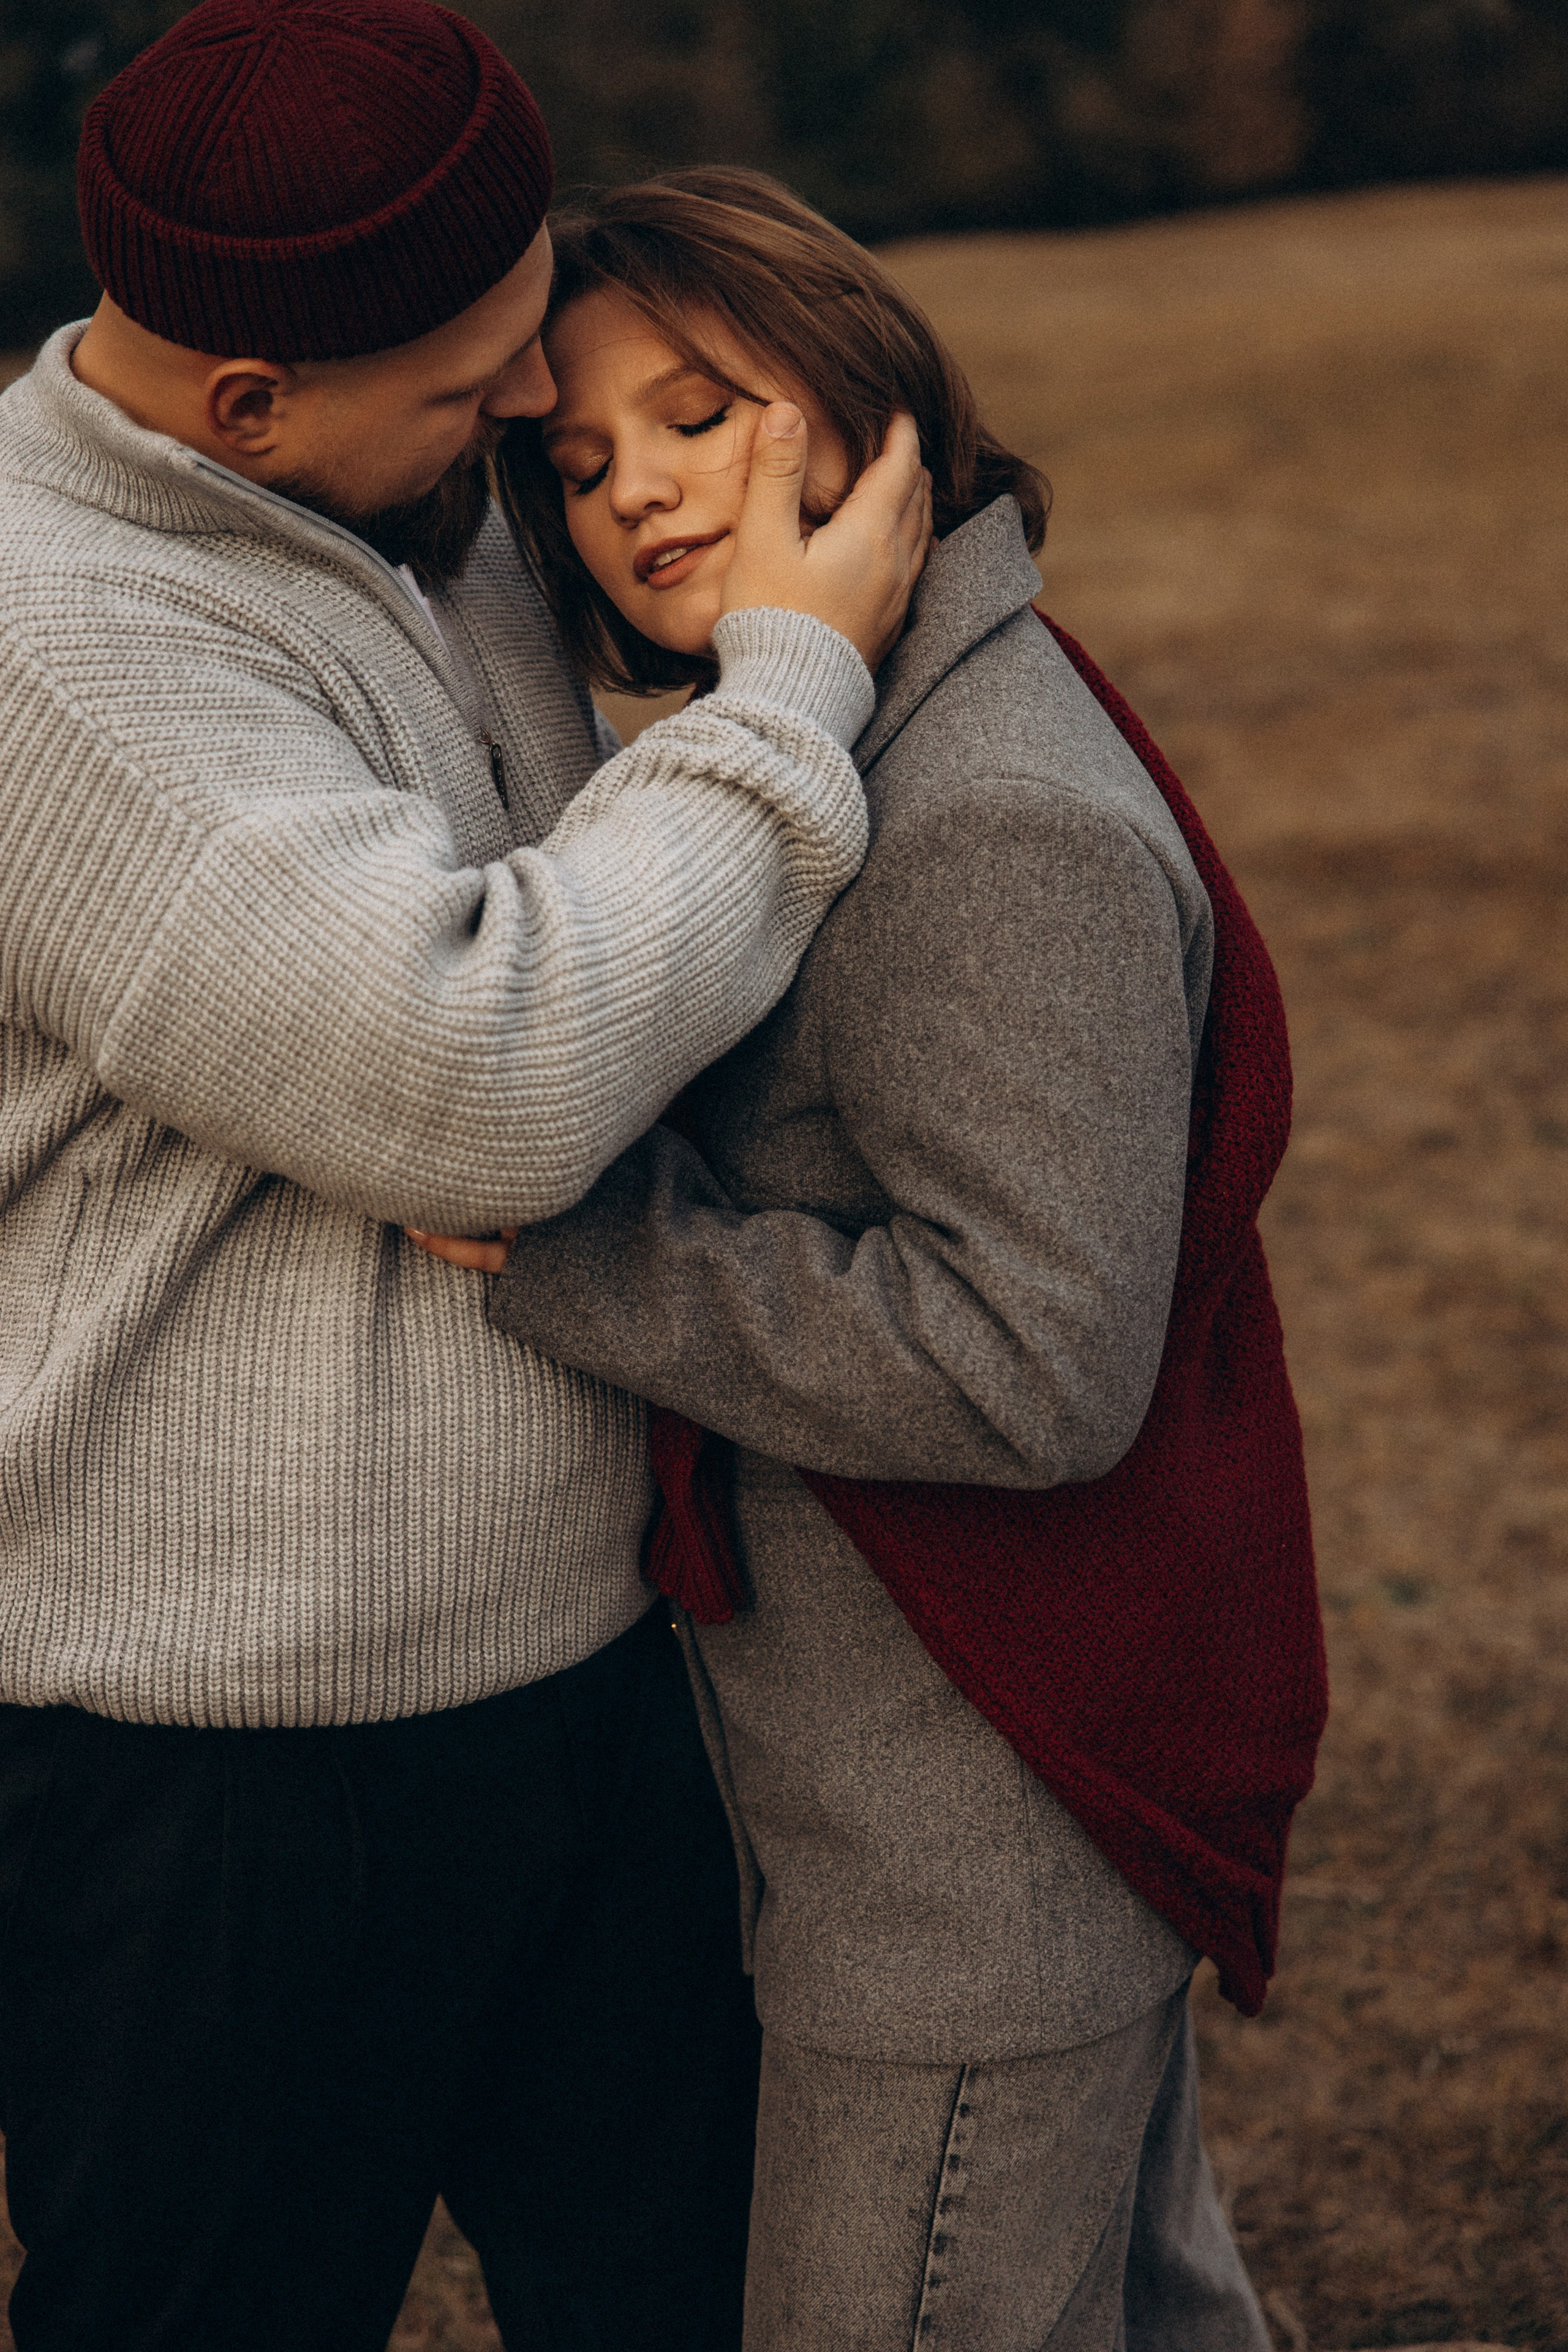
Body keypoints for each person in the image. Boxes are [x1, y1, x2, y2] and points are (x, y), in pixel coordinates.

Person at [0, 9, 932, 2347]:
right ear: (246, 405)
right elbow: (480, 1069)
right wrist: (792, 695)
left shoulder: (376, 476)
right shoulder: (60, 657)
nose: (534, 420)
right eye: (481, 379)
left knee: (698, 2303)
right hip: (221, 1770)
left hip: (585, 1669)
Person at [413, 168, 1327, 2350]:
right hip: (967, 1799)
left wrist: (570, 1251)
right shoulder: (886, 716)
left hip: (968, 1857)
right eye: (578, 463)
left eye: (699, 414)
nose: (632, 496)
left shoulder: (990, 811)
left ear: (861, 398)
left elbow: (1036, 1367)